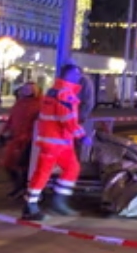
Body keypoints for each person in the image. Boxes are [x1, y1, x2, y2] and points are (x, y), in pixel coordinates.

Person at [23, 64, 88, 220]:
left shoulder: (54, 92)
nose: (79, 77)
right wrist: (82, 136)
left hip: (57, 141)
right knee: (44, 173)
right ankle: (30, 207)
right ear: (69, 75)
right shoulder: (66, 94)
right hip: (56, 142)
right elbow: (67, 119)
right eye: (77, 74)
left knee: (71, 168)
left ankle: (58, 202)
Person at [0, 82, 41, 197]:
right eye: (25, 89)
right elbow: (11, 119)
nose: (27, 91)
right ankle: (18, 185)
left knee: (24, 165)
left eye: (30, 89)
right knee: (7, 163)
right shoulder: (19, 103)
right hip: (15, 138)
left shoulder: (39, 104)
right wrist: (4, 132)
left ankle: (23, 187)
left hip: (29, 140)